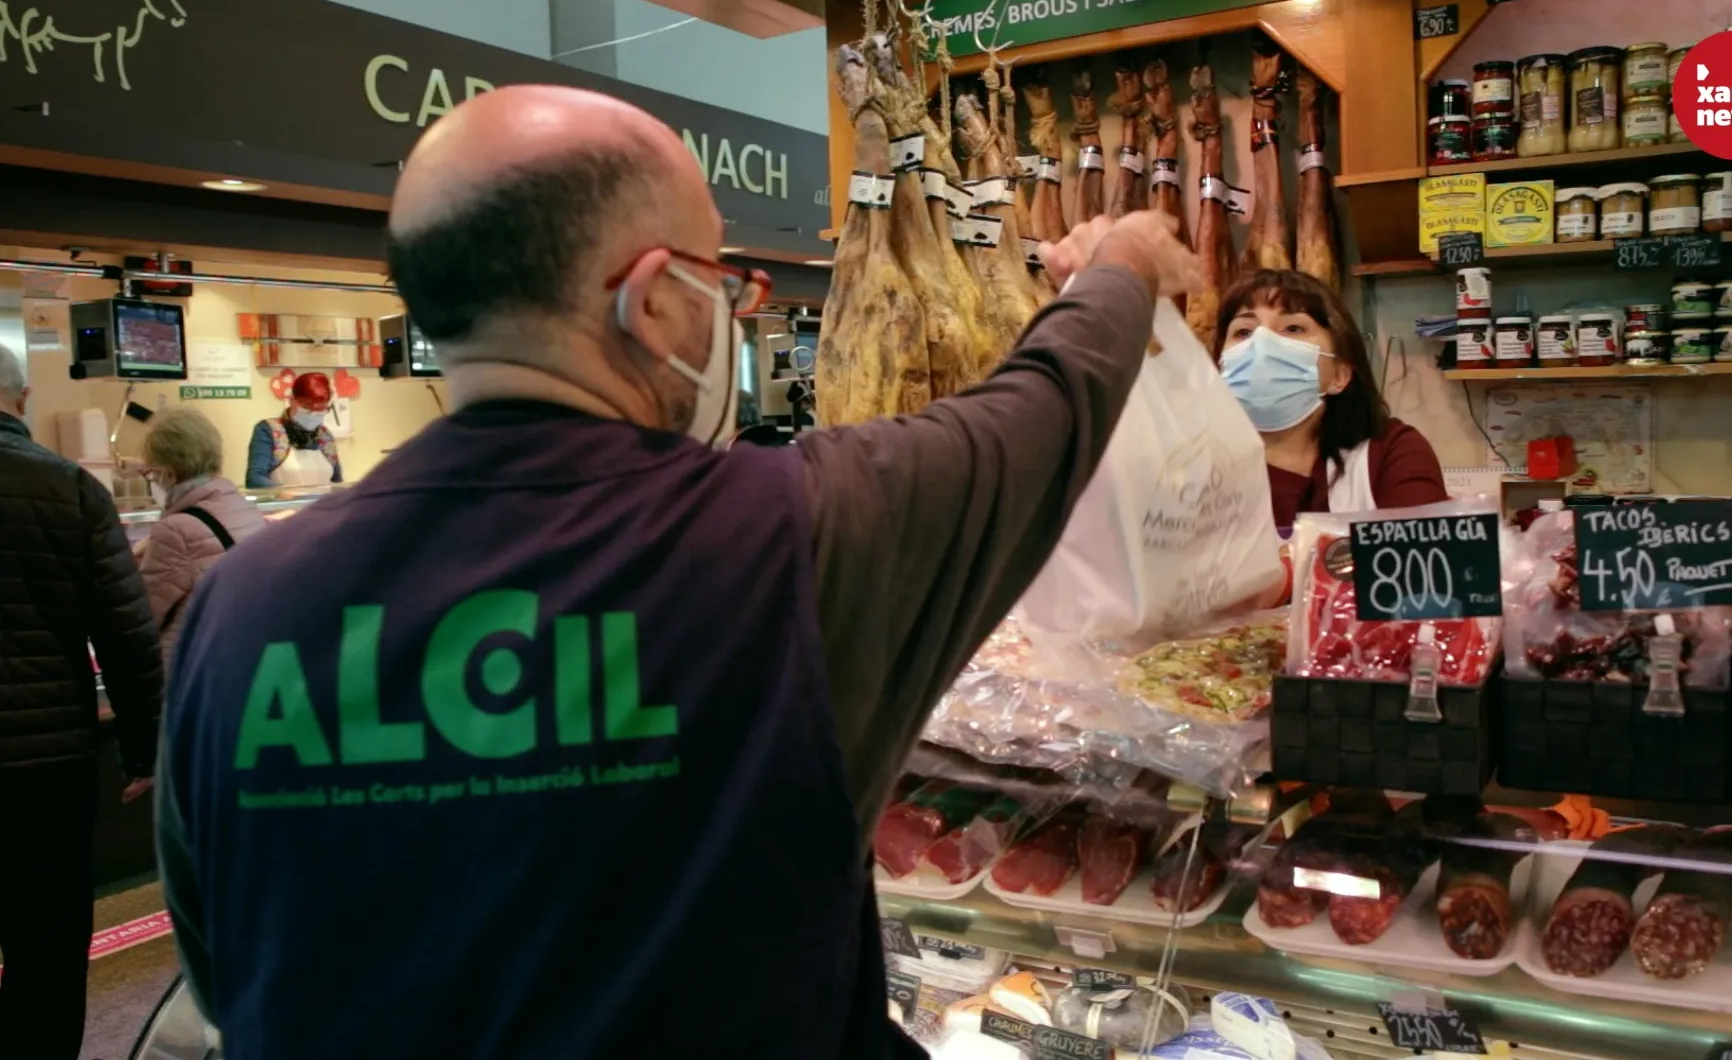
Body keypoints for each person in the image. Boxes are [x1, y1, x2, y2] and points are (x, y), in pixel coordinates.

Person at [156, 84, 1195, 1059]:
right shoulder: (794, 529)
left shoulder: (240, 601)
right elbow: (1041, 412)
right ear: (652, 299)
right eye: (721, 284)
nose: (728, 312)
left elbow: (217, 962)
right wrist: (1126, 263)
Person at [0, 345, 163, 1059]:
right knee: (47, 944)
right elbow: (127, 636)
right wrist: (145, 750)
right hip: (46, 764)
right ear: (24, 396)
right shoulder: (66, 487)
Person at [1214, 269, 1448, 530]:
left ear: (1339, 374)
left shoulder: (1390, 452)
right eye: (1243, 332)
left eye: (1293, 328)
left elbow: (1421, 561)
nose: (1261, 344)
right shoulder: (1190, 471)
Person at [137, 408, 269, 664]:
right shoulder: (244, 509)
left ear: (170, 472)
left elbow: (144, 617)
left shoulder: (176, 529)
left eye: (151, 472)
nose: (153, 479)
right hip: (242, 653)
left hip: (192, 665)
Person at [245, 371, 342, 488]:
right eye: (306, 405)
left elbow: (337, 482)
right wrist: (285, 494)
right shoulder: (269, 431)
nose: (313, 413)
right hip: (282, 505)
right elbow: (255, 479)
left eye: (320, 408)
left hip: (322, 505)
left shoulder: (325, 437)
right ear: (292, 400)